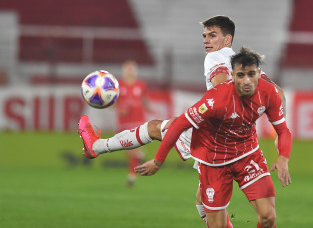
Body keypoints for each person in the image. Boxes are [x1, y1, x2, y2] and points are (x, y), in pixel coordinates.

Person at [78, 15, 285, 227]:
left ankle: (96, 146)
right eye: (204, 35)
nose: (206, 40)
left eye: (212, 35)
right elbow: (278, 92)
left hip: (214, 136)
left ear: (227, 39)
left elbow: (221, 85)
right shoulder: (243, 63)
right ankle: (97, 147)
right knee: (205, 198)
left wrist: (222, 107)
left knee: (155, 128)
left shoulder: (215, 57)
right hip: (240, 139)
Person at [134, 46, 292, 228]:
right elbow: (179, 125)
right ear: (232, 76)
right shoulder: (216, 99)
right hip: (214, 162)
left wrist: (283, 157)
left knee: (268, 217)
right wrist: (157, 161)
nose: (247, 80)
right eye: (241, 75)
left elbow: (283, 130)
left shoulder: (269, 92)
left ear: (259, 74)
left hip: (247, 155)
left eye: (251, 74)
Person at [116, 60, 152, 186]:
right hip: (124, 122)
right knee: (127, 149)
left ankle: (132, 176)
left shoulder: (141, 84)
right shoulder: (118, 85)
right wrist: (120, 109)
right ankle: (139, 156)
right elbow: (111, 102)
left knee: (133, 149)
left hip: (138, 120)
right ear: (123, 70)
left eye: (132, 68)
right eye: (128, 68)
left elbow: (144, 99)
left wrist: (150, 108)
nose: (130, 70)